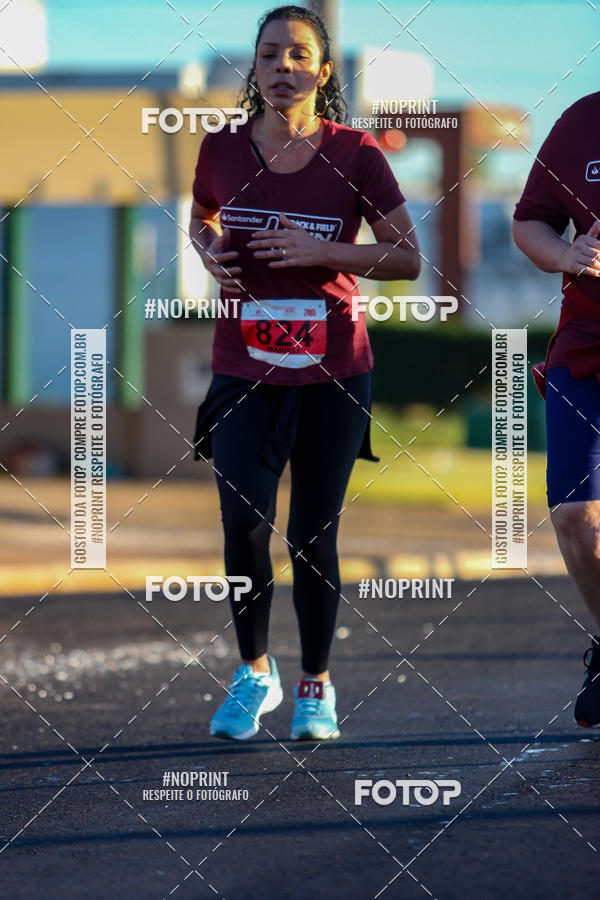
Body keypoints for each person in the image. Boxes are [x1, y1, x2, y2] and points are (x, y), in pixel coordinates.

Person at [189, 4, 420, 741]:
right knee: (243, 519)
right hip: (243, 365)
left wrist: (326, 254)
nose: (282, 68)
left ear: (323, 70)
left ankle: (315, 685)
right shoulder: (220, 149)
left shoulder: (356, 155)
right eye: (268, 56)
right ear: (253, 70)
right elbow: (203, 217)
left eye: (297, 55)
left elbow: (408, 259)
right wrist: (208, 249)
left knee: (313, 535)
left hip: (333, 370)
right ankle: (253, 674)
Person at [513, 90, 600, 727]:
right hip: (586, 344)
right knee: (576, 516)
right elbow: (529, 221)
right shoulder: (580, 122)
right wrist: (564, 254)